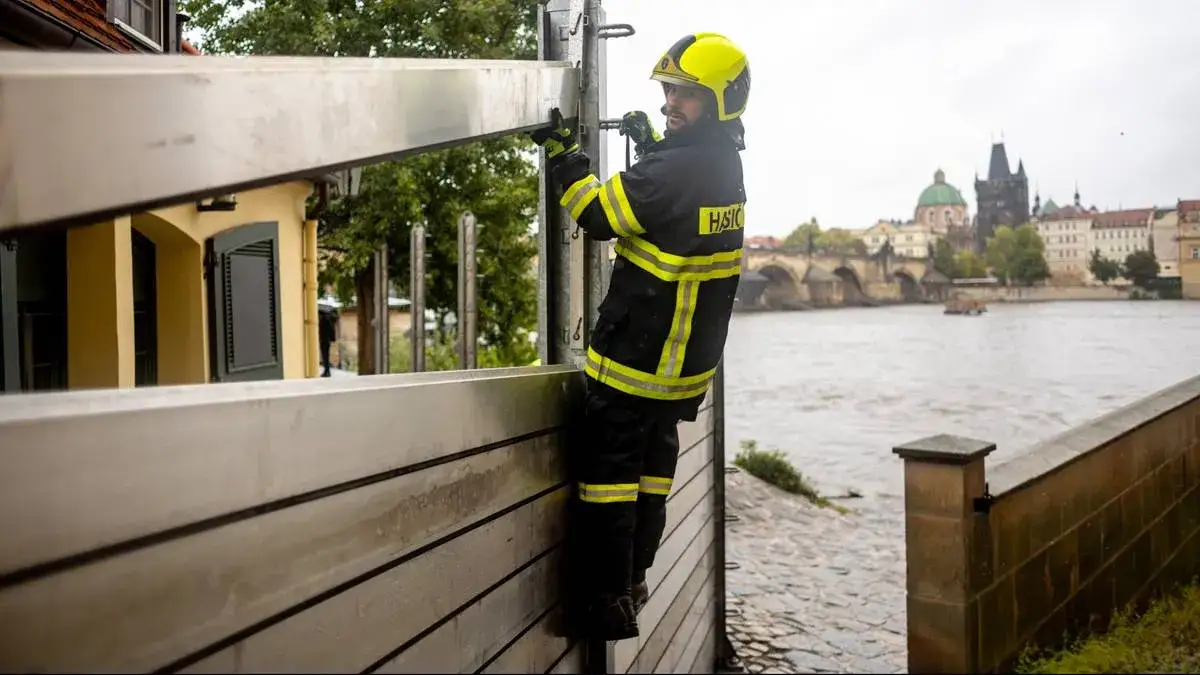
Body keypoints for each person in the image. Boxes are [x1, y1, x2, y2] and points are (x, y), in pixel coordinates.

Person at [531, 32, 750, 641]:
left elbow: (600, 216)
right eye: (669, 92)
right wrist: (652, 148)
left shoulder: (676, 168)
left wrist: (564, 158)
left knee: (608, 486)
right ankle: (633, 582)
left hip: (635, 360)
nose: (669, 104)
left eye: (685, 95)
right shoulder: (722, 160)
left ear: (720, 100)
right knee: (652, 481)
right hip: (680, 371)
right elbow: (672, 211)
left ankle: (604, 605)